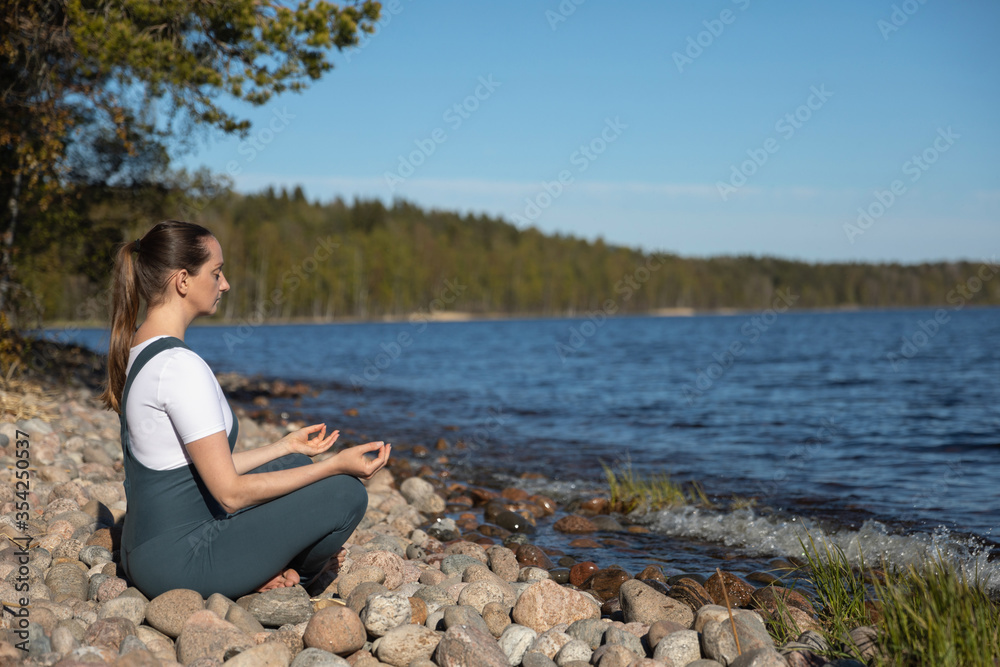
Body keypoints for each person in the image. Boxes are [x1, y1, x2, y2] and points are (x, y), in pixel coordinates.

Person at [99, 219, 390, 599]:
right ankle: (286, 581)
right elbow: (230, 495)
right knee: (346, 494)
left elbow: (189, 473)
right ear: (183, 281)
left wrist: (285, 447)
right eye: (216, 273)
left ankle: (254, 564)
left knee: (296, 466)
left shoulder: (142, 348)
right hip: (178, 564)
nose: (225, 284)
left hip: (147, 547)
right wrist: (334, 466)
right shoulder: (179, 367)